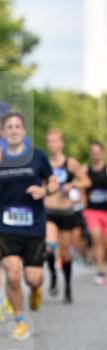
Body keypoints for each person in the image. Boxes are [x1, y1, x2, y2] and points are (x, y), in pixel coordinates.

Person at [0, 112, 57, 340]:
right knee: (12, 273)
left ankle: (36, 289)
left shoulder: (38, 157)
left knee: (32, 278)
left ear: (24, 131)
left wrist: (44, 191)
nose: (14, 130)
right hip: (6, 224)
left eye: (18, 126)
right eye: (9, 127)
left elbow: (53, 183)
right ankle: (19, 321)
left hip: (34, 224)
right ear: (3, 132)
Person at [44, 129, 90, 303]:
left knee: (65, 254)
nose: (52, 144)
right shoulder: (45, 163)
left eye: (55, 141)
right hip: (49, 210)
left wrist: (73, 185)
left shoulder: (70, 163)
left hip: (66, 212)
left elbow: (86, 181)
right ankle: (53, 276)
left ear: (61, 143)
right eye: (50, 141)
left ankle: (68, 287)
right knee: (49, 246)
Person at [84, 139, 107, 285]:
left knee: (104, 241)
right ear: (90, 154)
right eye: (93, 152)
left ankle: (101, 261)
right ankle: (100, 271)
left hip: (106, 211)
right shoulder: (85, 170)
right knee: (96, 239)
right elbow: (81, 186)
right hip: (91, 211)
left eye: (98, 152)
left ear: (102, 153)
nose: (96, 155)